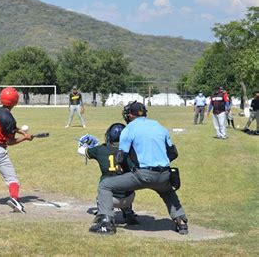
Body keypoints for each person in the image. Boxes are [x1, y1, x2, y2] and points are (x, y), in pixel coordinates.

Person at [91, 101, 188, 235]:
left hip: (143, 174)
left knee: (105, 185)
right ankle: (181, 221)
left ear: (130, 116)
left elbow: (121, 156)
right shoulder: (159, 126)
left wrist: (121, 167)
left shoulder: (129, 129)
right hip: (164, 173)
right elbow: (173, 153)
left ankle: (106, 222)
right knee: (167, 191)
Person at [76, 124, 139, 227]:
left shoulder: (100, 149)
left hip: (110, 198)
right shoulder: (132, 151)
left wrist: (82, 143)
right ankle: (128, 212)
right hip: (129, 198)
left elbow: (81, 151)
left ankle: (104, 215)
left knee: (103, 189)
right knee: (127, 182)